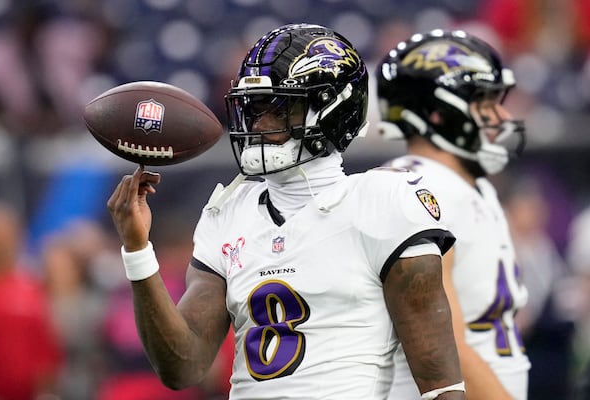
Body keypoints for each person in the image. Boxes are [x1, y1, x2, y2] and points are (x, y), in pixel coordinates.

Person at [107, 23, 466, 399]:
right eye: (254, 109)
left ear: (332, 110)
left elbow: (442, 386)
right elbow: (182, 365)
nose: (258, 123)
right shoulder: (228, 212)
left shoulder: (382, 201)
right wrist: (137, 250)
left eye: (278, 109)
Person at [376, 29, 530, 399]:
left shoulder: (469, 186)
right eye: (486, 103)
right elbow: (445, 348)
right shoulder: (422, 189)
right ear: (440, 113)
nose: (502, 115)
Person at [0, 201, 64, 400]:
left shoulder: (31, 286)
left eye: (6, 236)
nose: (1, 244)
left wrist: (46, 391)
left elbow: (46, 346)